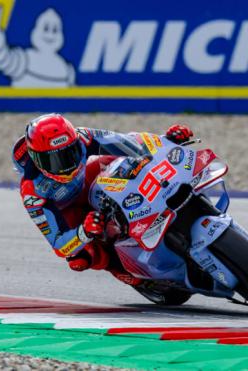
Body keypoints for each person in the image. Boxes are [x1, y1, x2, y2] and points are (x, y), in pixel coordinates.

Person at [12, 113, 193, 286]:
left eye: (70, 153)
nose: (66, 165)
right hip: (70, 210)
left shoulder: (84, 137)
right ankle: (125, 271)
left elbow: (128, 142)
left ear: (75, 141)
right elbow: (59, 244)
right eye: (54, 161)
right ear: (37, 160)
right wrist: (84, 232)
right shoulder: (32, 191)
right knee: (79, 258)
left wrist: (166, 142)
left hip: (89, 179)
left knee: (127, 162)